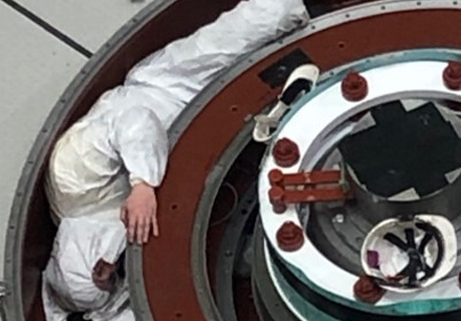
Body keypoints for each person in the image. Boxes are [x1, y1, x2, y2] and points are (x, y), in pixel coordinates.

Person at [46, 0, 309, 244]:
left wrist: (143, 185)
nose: (106, 268)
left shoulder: (70, 175)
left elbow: (135, 121)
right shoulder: (93, 228)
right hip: (179, 134)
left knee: (236, 36)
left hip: (168, 86)